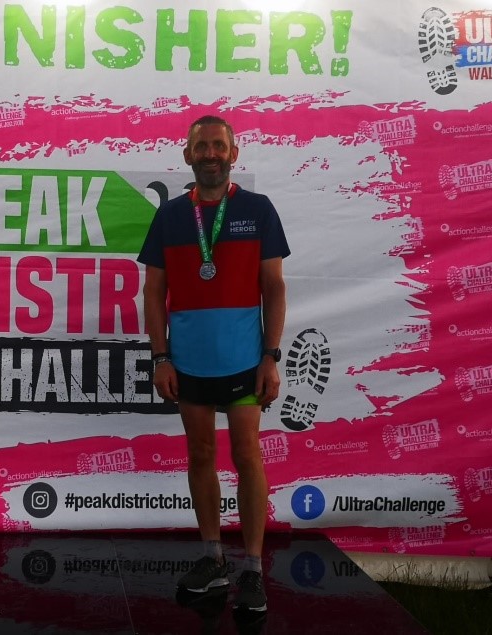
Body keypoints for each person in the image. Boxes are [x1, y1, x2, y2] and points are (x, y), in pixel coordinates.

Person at [137, 115, 289, 613]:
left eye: (218, 145)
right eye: (200, 146)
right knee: (201, 455)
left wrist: (270, 356)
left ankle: (251, 567)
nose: (209, 153)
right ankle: (212, 556)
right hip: (189, 361)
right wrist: (160, 357)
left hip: (245, 360)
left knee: (247, 457)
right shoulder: (171, 217)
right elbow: (154, 292)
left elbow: (274, 288)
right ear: (187, 155)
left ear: (233, 153)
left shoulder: (258, 210)